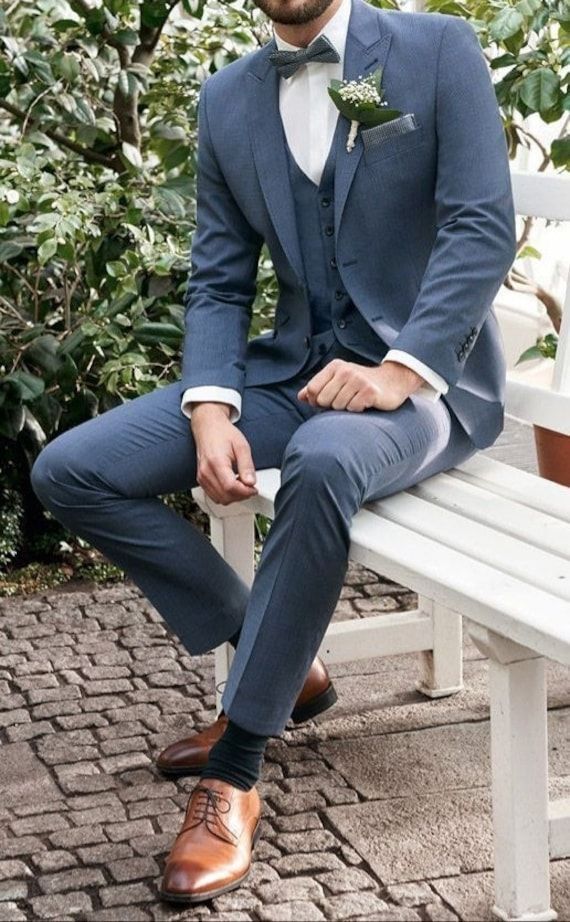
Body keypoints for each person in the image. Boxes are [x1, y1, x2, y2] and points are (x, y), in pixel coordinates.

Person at [31, 0, 517, 905]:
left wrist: (399, 370)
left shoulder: (437, 48)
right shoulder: (227, 99)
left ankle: (236, 769)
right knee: (73, 469)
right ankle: (284, 661)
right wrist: (212, 407)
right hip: (292, 371)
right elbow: (219, 277)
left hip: (425, 389)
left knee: (331, 458)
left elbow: (481, 227)